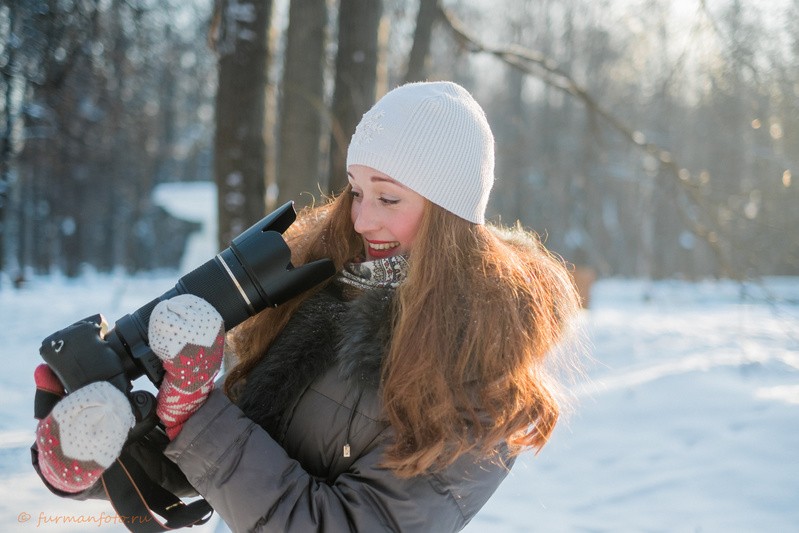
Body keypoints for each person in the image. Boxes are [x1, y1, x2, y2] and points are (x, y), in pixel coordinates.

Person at [32, 81, 582, 531]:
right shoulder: (332, 294)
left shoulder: (481, 369)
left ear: (451, 216)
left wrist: (197, 412)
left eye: (388, 197)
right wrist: (104, 449)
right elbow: (220, 468)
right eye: (357, 191)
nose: (363, 219)